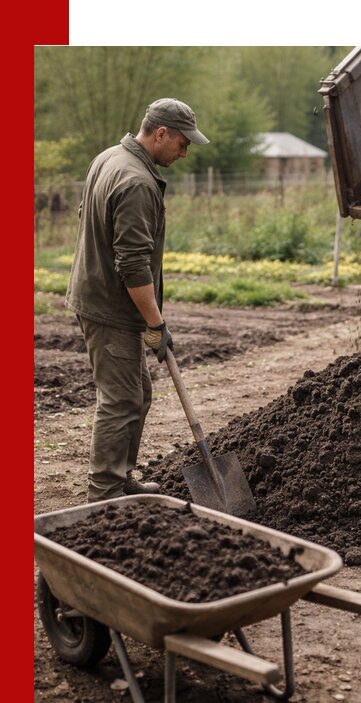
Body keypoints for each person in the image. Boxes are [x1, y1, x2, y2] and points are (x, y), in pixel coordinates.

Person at [65, 98, 210, 502]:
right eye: (182, 144)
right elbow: (132, 263)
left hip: (99, 294)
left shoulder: (109, 157)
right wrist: (155, 323)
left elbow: (88, 214)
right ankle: (105, 493)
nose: (184, 153)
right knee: (121, 399)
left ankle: (120, 475)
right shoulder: (137, 182)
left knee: (138, 393)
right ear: (160, 133)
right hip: (110, 306)